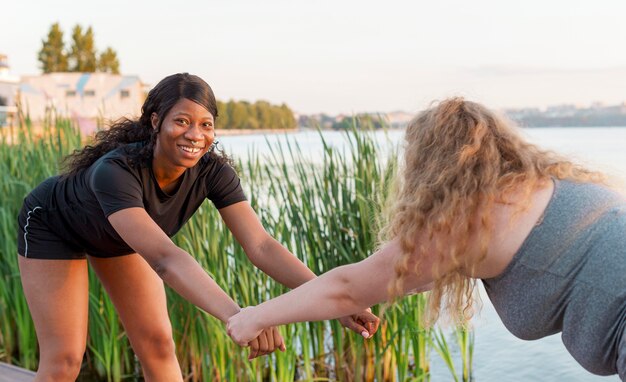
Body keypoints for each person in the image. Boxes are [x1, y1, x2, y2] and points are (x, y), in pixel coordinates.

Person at [227, 98, 626, 379]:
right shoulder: (543, 190)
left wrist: (254, 317)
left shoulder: (465, 219)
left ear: (431, 165)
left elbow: (348, 288)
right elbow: (388, 282)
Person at [17, 73, 379, 382]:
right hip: (54, 227)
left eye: (206, 124)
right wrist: (241, 317)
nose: (195, 134)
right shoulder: (116, 172)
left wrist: (333, 301)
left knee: (158, 342)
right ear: (156, 121)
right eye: (182, 121)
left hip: (117, 239)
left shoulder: (213, 172)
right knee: (65, 359)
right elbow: (165, 258)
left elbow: (262, 247)